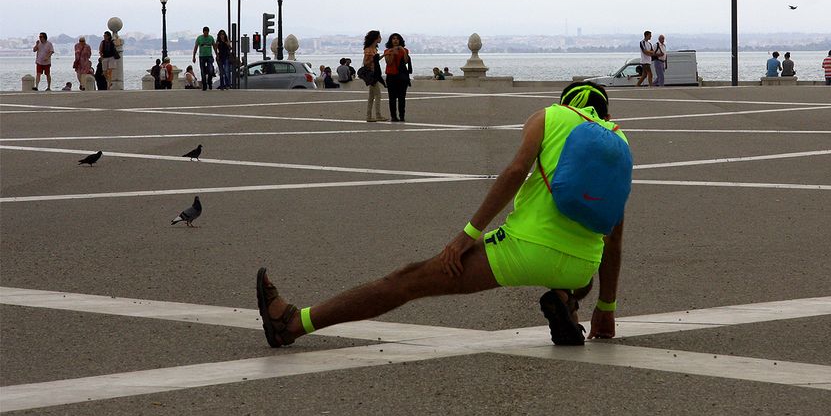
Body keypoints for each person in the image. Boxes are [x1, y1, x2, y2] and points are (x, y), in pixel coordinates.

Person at [255, 82, 631, 349]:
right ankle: (568, 299)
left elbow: (516, 172)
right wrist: (606, 307)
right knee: (579, 253)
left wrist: (468, 234)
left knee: (408, 279)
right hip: (582, 267)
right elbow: (613, 233)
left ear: (566, 102)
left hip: (524, 252)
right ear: (606, 113)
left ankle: (291, 323)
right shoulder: (619, 140)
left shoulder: (550, 116)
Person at [382, 33, 413, 122]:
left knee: (402, 97)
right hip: (391, 76)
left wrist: (403, 50)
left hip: (402, 76)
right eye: (393, 39)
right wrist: (392, 53)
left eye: (397, 39)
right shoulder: (387, 51)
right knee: (392, 97)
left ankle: (402, 115)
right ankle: (393, 116)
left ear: (400, 41)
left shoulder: (405, 50)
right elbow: (389, 63)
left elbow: (406, 61)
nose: (395, 40)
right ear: (390, 41)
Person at [363, 30, 388, 122]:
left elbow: (375, 60)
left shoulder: (374, 49)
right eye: (379, 37)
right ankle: (378, 115)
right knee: (378, 95)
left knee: (371, 96)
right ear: (375, 38)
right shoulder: (369, 50)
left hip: (374, 73)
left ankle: (369, 116)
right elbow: (366, 63)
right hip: (372, 74)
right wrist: (373, 59)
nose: (380, 38)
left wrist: (383, 56)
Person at [192, 27, 216, 91]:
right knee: (202, 71)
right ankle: (204, 85)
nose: (206, 33)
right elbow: (196, 47)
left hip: (209, 56)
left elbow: (214, 46)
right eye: (205, 32)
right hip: (202, 56)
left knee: (210, 70)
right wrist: (194, 56)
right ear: (203, 32)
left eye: (207, 32)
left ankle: (209, 81)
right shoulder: (199, 38)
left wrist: (217, 54)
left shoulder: (211, 38)